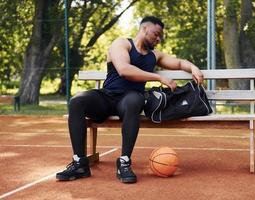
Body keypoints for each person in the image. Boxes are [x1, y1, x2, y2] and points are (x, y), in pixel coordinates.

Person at [56, 16, 204, 183]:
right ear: (144, 29)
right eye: (156, 34)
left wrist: (193, 67)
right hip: (107, 97)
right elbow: (124, 70)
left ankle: (124, 162)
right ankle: (80, 163)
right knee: (76, 101)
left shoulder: (154, 56)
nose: (158, 39)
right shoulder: (122, 44)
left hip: (128, 101)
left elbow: (178, 63)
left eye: (160, 36)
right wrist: (158, 78)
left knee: (135, 100)